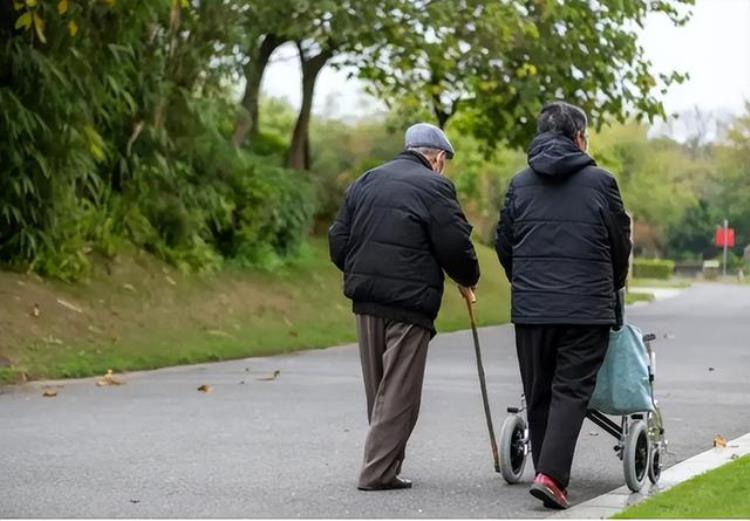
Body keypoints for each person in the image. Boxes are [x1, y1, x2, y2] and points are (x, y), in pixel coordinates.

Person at [329, 123, 480, 491]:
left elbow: (338, 240)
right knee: (399, 390)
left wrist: (361, 269)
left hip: (366, 300)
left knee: (379, 387)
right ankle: (377, 471)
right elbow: (453, 244)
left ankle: (385, 464)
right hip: (410, 303)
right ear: (438, 158)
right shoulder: (436, 186)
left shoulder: (366, 181)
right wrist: (467, 275)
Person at [495, 101, 631, 509]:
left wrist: (524, 282)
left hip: (533, 308)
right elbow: (619, 243)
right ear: (578, 138)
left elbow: (504, 243)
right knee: (570, 390)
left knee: (539, 390)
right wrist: (615, 284)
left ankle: (545, 471)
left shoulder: (520, 184)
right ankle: (551, 476)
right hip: (587, 307)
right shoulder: (602, 182)